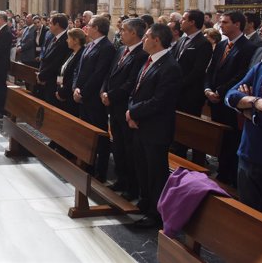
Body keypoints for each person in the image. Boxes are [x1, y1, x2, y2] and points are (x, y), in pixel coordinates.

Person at [126, 23, 182, 228]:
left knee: (156, 173)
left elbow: (161, 101)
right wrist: (131, 111)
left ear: (157, 40)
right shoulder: (149, 61)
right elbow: (136, 89)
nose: (144, 40)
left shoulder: (170, 66)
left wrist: (133, 112)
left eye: (147, 36)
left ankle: (156, 213)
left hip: (156, 129)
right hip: (141, 125)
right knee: (142, 168)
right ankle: (145, 201)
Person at [204, 11, 258, 186]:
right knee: (219, 140)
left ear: (237, 25)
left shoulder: (248, 48)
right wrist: (207, 88)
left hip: (229, 102)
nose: (221, 25)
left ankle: (229, 175)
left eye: (225, 22)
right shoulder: (221, 45)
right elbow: (211, 69)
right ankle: (222, 170)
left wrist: (219, 91)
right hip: (215, 100)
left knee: (230, 140)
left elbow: (241, 76)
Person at [100, 18, 148, 200]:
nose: (120, 33)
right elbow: (110, 73)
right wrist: (104, 90)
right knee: (118, 145)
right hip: (113, 105)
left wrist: (111, 95)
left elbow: (131, 83)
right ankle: (121, 179)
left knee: (129, 148)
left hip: (125, 106)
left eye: (124, 30)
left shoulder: (142, 54)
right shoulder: (121, 50)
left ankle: (132, 185)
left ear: (134, 33)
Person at [224, 42, 262, 215]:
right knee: (249, 218)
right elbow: (230, 95)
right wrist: (255, 102)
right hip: (249, 153)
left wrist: (249, 113)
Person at [72, 15, 116, 181]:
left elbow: (99, 75)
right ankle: (87, 165)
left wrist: (82, 91)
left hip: (94, 99)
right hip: (83, 96)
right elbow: (79, 69)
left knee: (99, 134)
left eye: (89, 25)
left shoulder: (107, 48)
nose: (86, 27)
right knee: (86, 132)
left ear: (97, 28)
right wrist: (75, 87)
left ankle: (100, 170)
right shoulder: (90, 45)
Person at [171, 10, 213, 160]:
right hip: (176, 93)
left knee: (188, 133)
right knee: (176, 133)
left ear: (192, 22)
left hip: (190, 95)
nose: (180, 22)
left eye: (183, 19)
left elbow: (198, 71)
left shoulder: (203, 43)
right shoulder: (182, 40)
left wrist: (178, 84)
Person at [36, 13, 71, 106]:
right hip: (47, 80)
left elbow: (57, 63)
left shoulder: (65, 40)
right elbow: (46, 58)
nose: (48, 25)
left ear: (57, 25)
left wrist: (42, 76)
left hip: (54, 81)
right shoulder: (54, 38)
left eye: (51, 23)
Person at [55, 28, 86, 117]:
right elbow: (62, 70)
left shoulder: (81, 54)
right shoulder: (71, 53)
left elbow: (73, 76)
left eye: (69, 38)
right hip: (61, 90)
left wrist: (63, 92)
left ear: (75, 41)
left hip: (69, 95)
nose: (67, 40)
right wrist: (59, 88)